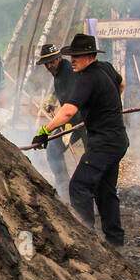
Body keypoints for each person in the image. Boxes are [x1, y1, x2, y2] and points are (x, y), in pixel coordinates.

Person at [33, 33, 128, 246]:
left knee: (78, 187)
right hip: (117, 139)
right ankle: (115, 242)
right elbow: (121, 84)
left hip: (104, 142)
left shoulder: (87, 78)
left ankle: (88, 239)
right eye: (72, 56)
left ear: (90, 55)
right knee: (105, 191)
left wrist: (44, 131)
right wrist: (107, 105)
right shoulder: (106, 67)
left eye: (77, 56)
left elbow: (67, 111)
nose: (72, 59)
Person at [35, 43, 86, 202]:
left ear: (59, 58)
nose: (49, 65)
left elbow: (74, 101)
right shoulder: (59, 71)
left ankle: (94, 196)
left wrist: (68, 128)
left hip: (85, 120)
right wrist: (53, 97)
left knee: (92, 156)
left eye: (52, 61)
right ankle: (64, 190)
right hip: (71, 120)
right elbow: (63, 89)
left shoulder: (69, 71)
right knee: (53, 150)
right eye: (46, 63)